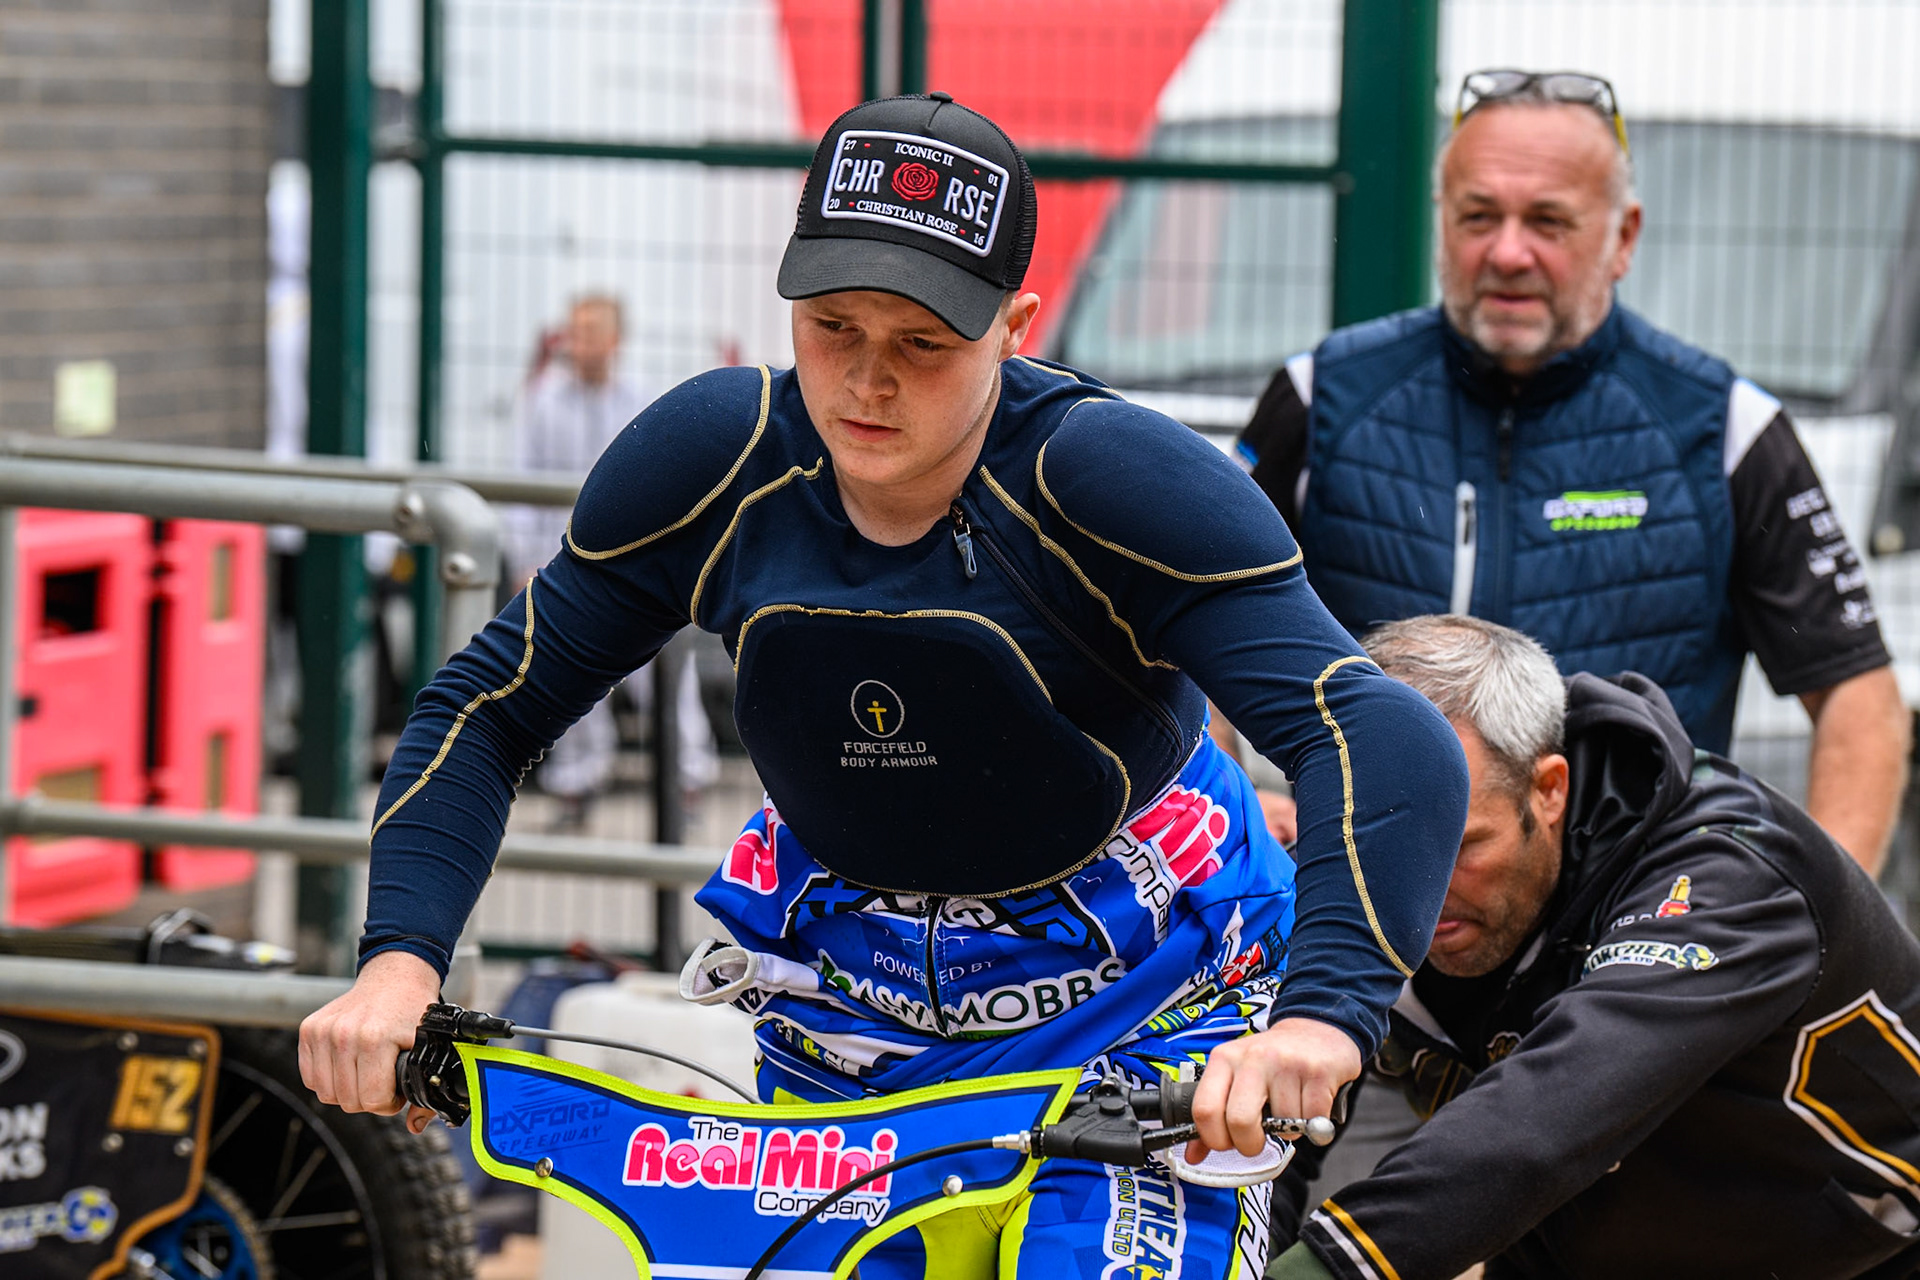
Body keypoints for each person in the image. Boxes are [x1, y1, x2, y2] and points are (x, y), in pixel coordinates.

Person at [299, 93, 1470, 1278]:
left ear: (1016, 326)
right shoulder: (715, 461)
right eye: (832, 326)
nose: (867, 380)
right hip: (848, 1024)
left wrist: (1322, 1016)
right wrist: (399, 966)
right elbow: (487, 705)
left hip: (1144, 1010)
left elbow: (1381, 734)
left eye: (922, 342)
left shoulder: (1112, 479)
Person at [1237, 69, 1908, 874]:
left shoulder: (1724, 428)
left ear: (1624, 237)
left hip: (1640, 911)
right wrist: (1233, 804)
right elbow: (1185, 624)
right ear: (1441, 220)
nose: (1507, 252)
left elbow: (1855, 695)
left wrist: (1817, 913)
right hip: (1372, 893)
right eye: (1478, 216)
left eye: (1548, 222)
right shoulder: (1323, 399)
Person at [1267, 614, 1920, 1280]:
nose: (1418, 892)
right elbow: (1274, 1117)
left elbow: (1544, 1122)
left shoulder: (1731, 879)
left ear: (1549, 789)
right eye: (1377, 851)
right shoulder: (1366, 880)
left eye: (1461, 847)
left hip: (1861, 1258)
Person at [502, 293, 719, 829]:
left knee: (662, 675)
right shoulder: (544, 402)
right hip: (564, 566)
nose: (579, 344)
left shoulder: (642, 400)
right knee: (571, 675)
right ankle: (577, 787)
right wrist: (524, 560)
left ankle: (688, 779)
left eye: (590, 333)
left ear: (615, 340)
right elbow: (521, 483)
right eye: (574, 332)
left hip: (636, 566)